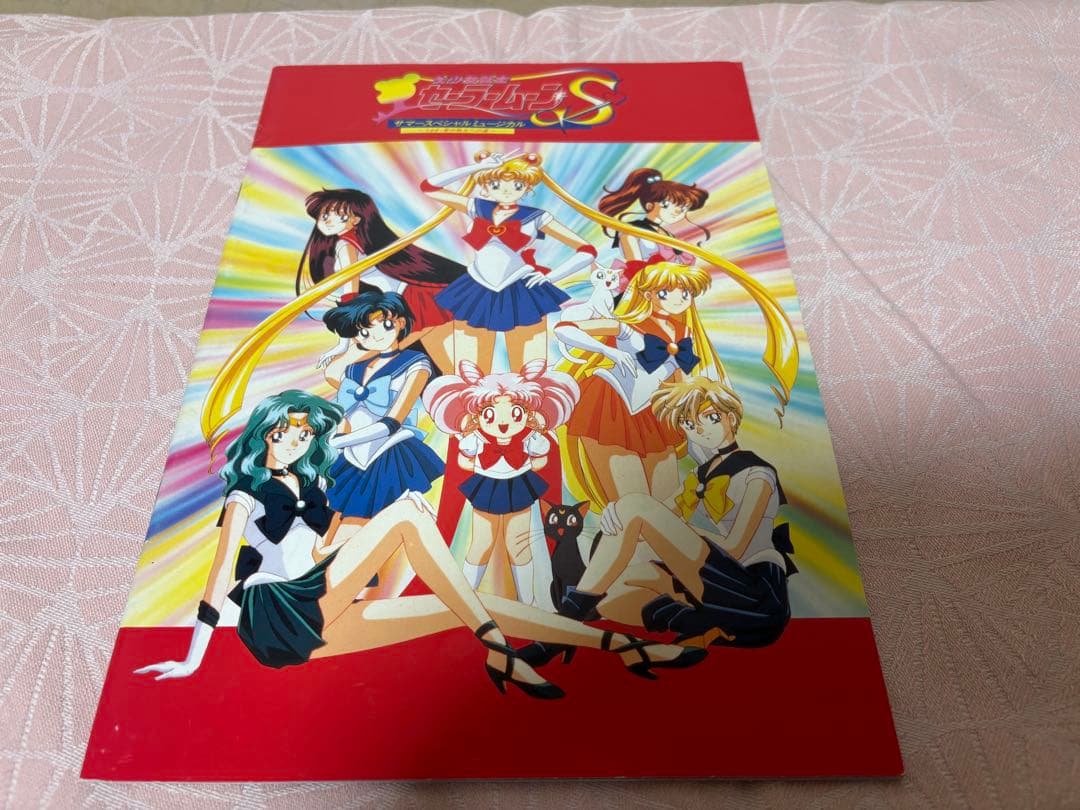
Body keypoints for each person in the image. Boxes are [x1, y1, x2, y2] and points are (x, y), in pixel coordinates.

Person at [135, 391, 705, 696]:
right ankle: (500, 649)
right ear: (264, 434)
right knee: (408, 512)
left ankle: (625, 647)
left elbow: (318, 555)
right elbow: (220, 577)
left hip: (315, 615)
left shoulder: (315, 486)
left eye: (303, 435)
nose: (292, 443)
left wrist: (369, 555)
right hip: (274, 612)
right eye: (282, 433)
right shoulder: (244, 494)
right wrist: (191, 660)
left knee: (477, 603)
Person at [522, 377, 795, 667]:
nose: (700, 430)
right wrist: (618, 516)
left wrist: (646, 520)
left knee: (636, 506)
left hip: (755, 596)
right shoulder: (701, 476)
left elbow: (735, 547)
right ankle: (697, 628)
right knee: (610, 595)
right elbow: (655, 519)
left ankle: (560, 630)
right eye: (689, 425)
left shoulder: (758, 473)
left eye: (710, 418)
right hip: (714, 597)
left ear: (731, 416)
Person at [554, 261, 727, 512]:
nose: (678, 298)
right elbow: (564, 330)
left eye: (686, 292)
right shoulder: (626, 325)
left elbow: (679, 379)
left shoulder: (684, 332)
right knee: (629, 503)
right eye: (666, 292)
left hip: (653, 414)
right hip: (610, 407)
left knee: (668, 504)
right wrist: (607, 351)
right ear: (647, 295)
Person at [420, 150, 598, 373]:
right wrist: (479, 167)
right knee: (468, 369)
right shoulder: (476, 207)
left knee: (531, 370)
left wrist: (552, 277)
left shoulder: (537, 217)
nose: (506, 190)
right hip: (476, 286)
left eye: (516, 185)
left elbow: (587, 250)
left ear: (527, 187)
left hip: (521, 287)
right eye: (496, 184)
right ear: (486, 185)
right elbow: (428, 187)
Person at [423, 359, 578, 605]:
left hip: (518, 486)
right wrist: (480, 463)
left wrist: (528, 460)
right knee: (481, 543)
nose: (503, 424)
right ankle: (465, 600)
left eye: (515, 413)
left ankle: (528, 602)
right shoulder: (475, 437)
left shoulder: (531, 437)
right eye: (490, 414)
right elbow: (463, 462)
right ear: (478, 415)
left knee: (518, 545)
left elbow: (540, 462)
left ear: (527, 412)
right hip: (487, 486)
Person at [297, 188, 464, 372]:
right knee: (434, 355)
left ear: (356, 220)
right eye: (325, 214)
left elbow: (350, 294)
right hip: (407, 298)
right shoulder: (355, 241)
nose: (328, 220)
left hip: (410, 300)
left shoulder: (346, 246)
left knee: (393, 349)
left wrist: (343, 343)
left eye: (341, 216)